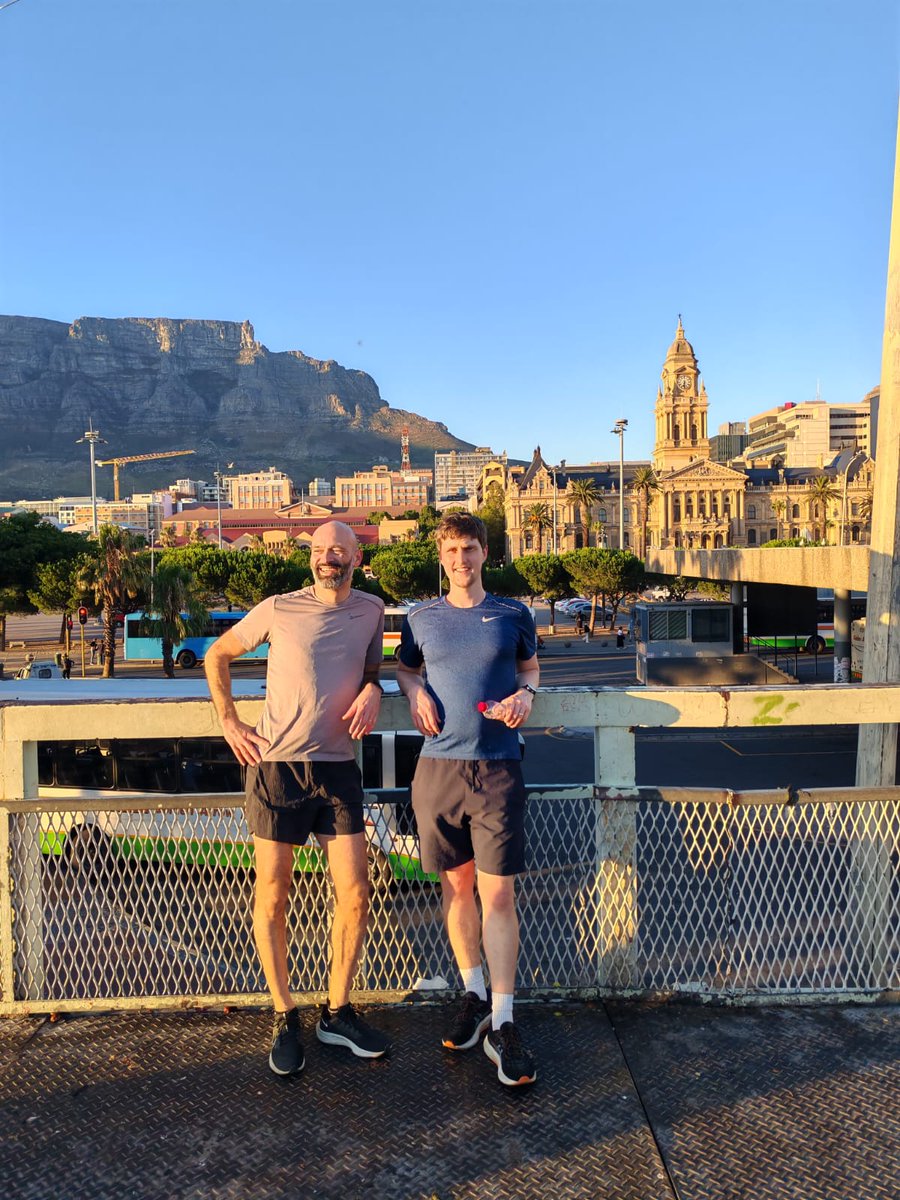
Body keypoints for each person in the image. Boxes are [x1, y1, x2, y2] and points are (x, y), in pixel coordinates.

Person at [205, 520, 391, 1077]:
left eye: (337, 549)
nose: (326, 557)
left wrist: (375, 689)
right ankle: (284, 1014)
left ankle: (337, 1012)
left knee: (355, 893)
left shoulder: (372, 610)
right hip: (276, 767)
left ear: (356, 557)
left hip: (338, 769)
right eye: (318, 550)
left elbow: (372, 670)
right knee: (272, 893)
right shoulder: (278, 608)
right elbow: (217, 655)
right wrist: (229, 720)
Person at [397, 513, 540, 1087]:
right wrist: (413, 692)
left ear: (485, 553)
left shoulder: (513, 614)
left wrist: (526, 696)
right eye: (453, 550)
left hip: (498, 766)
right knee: (455, 889)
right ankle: (474, 994)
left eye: (471, 548)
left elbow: (530, 669)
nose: (462, 559)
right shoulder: (420, 618)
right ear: (442, 556)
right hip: (438, 769)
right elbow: (405, 670)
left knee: (498, 894)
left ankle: (504, 1020)